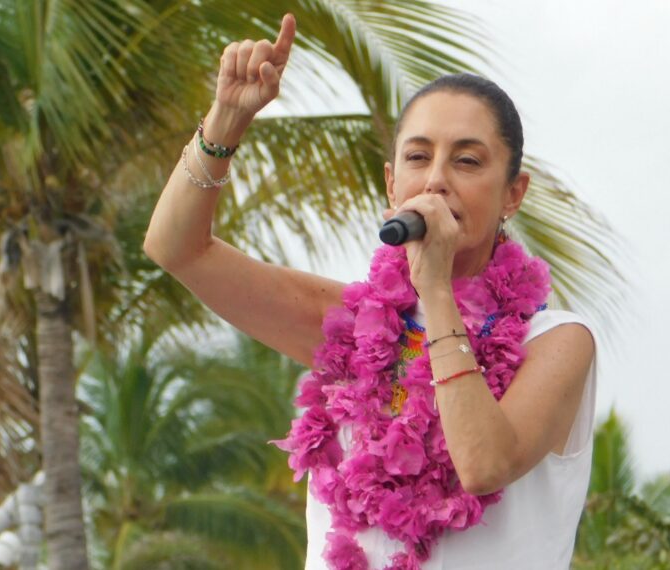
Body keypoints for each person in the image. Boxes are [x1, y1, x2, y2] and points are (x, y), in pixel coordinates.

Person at [144, 13, 597, 570]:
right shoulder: (350, 326)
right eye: (417, 156)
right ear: (391, 184)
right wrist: (225, 121)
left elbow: (483, 464)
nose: (435, 180)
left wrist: (434, 285)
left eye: (467, 160)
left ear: (513, 194)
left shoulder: (559, 342)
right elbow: (177, 248)